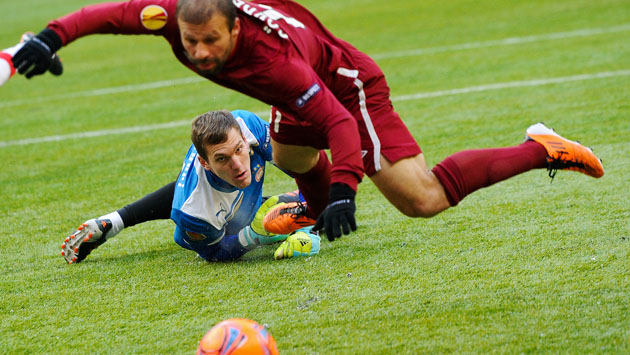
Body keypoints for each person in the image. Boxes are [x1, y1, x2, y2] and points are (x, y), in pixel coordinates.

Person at [15, 0, 604, 242]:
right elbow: (108, 14)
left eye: (210, 43)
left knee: (421, 199)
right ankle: (313, 209)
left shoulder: (274, 67)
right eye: (189, 41)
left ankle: (542, 148)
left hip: (349, 90)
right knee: (292, 155)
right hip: (308, 76)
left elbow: (338, 124)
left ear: (237, 30)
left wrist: (346, 190)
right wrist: (48, 38)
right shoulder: (177, 16)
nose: (197, 53)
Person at [61, 109, 320, 263]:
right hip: (206, 225)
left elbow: (299, 164)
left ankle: (115, 221)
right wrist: (253, 236)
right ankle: (118, 220)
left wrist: (317, 199)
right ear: (205, 163)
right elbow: (216, 252)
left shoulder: (246, 125)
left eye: (239, 150)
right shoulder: (194, 212)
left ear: (243, 138)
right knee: (268, 219)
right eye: (222, 159)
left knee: (309, 204)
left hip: (220, 193)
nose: (239, 165)